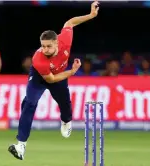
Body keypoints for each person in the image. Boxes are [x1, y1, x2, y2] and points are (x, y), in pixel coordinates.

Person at [8, 0, 99, 160]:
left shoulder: (65, 38)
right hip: (40, 76)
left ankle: (66, 121)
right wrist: (72, 71)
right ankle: (21, 145)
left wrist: (91, 15)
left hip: (59, 73)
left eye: (48, 46)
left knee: (64, 103)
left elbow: (70, 22)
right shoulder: (39, 59)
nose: (45, 49)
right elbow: (50, 79)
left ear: (57, 42)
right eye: (42, 46)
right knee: (29, 103)